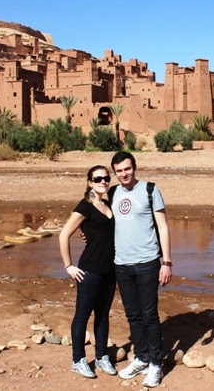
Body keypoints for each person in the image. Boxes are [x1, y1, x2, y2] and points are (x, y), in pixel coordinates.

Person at [109, 151, 172, 388]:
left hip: (147, 263)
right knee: (133, 315)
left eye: (127, 169)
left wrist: (166, 262)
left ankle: (156, 363)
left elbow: (163, 227)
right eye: (119, 171)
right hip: (121, 264)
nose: (124, 174)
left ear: (134, 167)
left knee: (149, 315)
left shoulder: (150, 190)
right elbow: (103, 219)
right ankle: (141, 358)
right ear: (115, 173)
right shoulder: (113, 192)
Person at [59, 165, 117, 379]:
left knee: (103, 315)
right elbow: (63, 235)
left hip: (110, 270)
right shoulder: (85, 206)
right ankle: (78, 360)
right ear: (90, 183)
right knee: (83, 315)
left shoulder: (108, 203)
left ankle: (102, 357)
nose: (103, 181)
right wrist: (69, 266)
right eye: (98, 178)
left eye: (106, 178)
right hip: (89, 270)